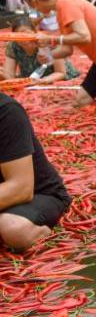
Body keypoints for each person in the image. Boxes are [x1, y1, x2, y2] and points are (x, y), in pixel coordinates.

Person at [0, 93, 71, 250]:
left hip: (38, 193)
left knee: (13, 228)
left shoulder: (7, 111)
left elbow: (21, 188)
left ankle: (42, 232)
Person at [2, 17, 79, 84]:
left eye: (26, 34)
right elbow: (9, 75)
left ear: (34, 32)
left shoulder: (45, 41)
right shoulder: (13, 46)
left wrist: (43, 81)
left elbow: (60, 72)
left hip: (54, 76)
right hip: (31, 78)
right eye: (18, 36)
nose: (23, 40)